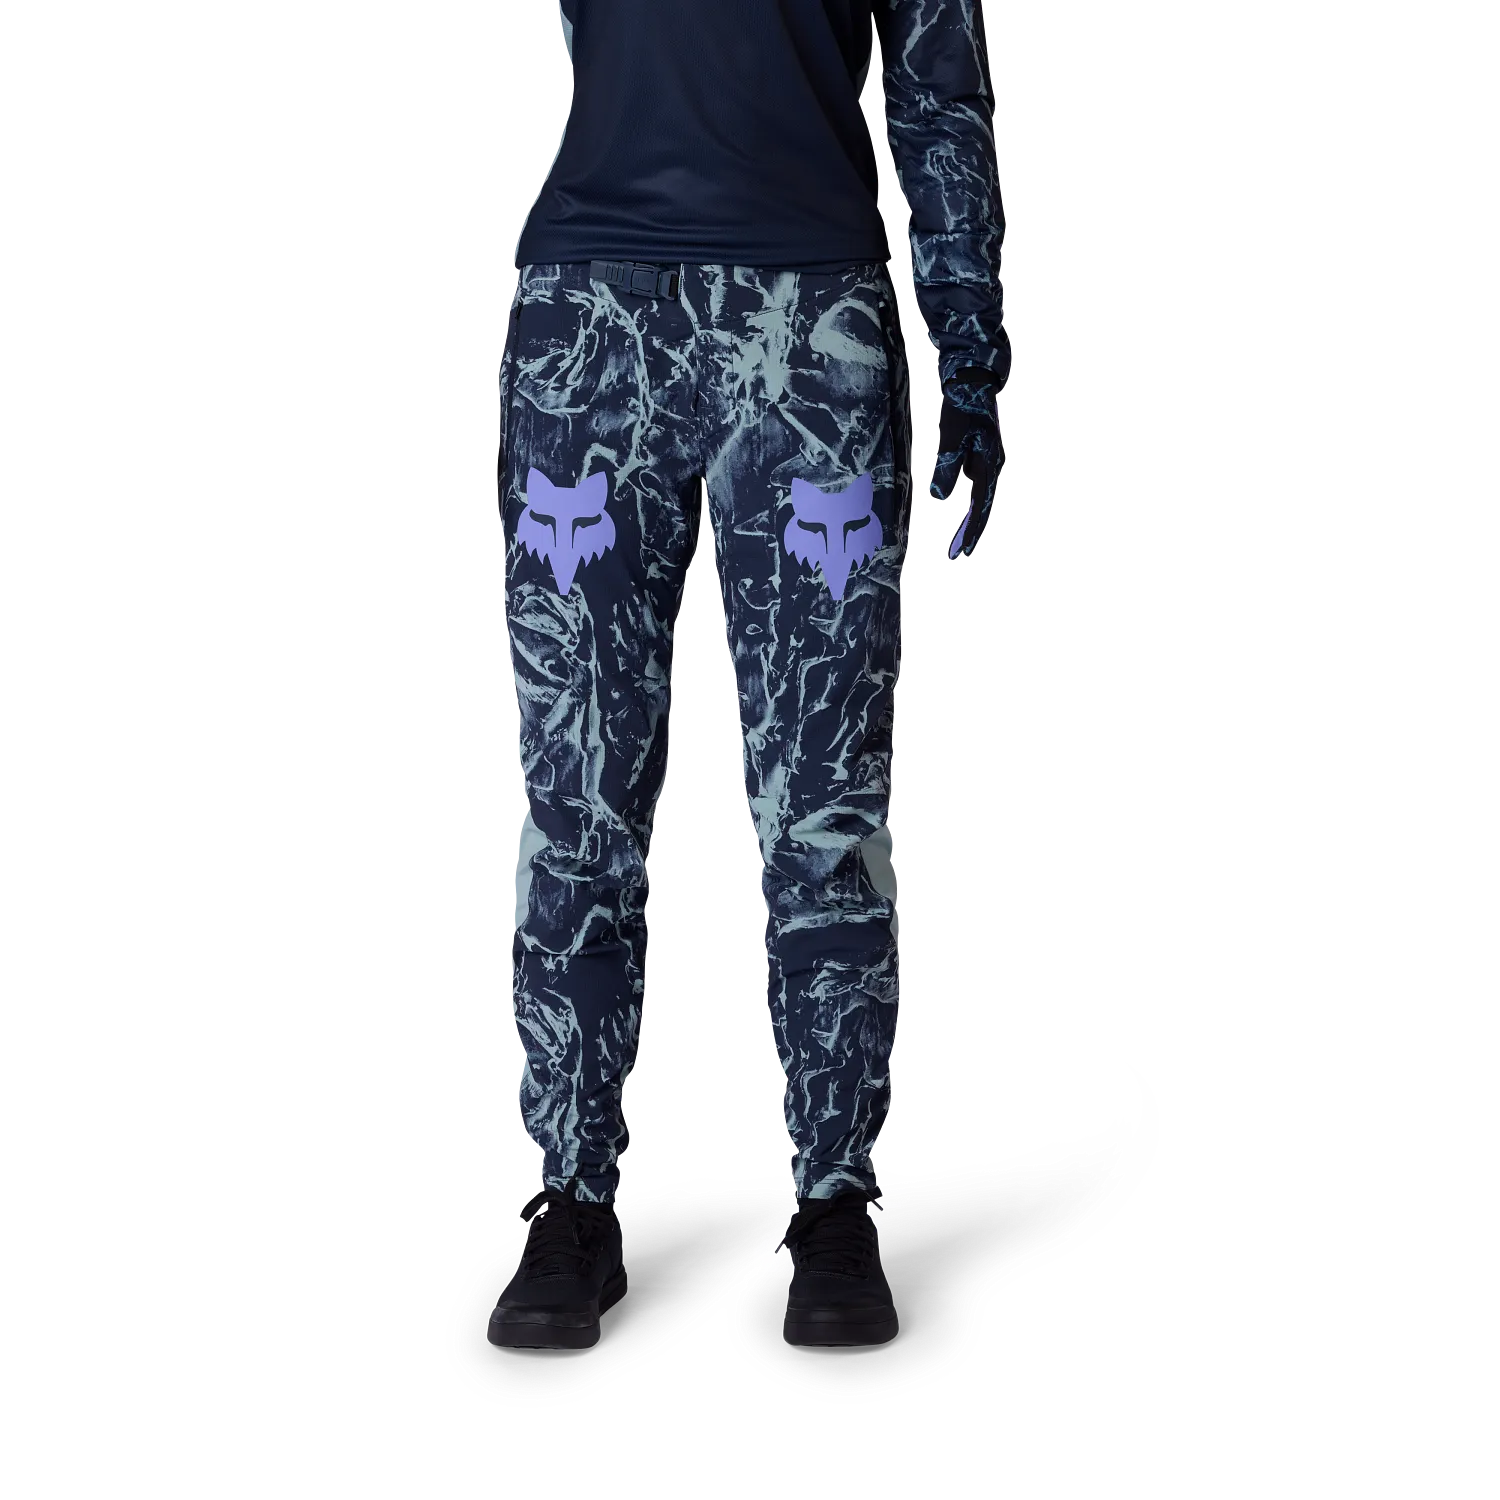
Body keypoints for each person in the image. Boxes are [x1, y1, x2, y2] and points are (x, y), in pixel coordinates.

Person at [493, 0, 1009, 1351]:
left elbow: (937, 86)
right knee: (577, 794)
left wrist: (972, 353)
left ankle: (834, 1202)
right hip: (590, 319)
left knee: (826, 801)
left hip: (815, 326)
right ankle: (570, 1200)